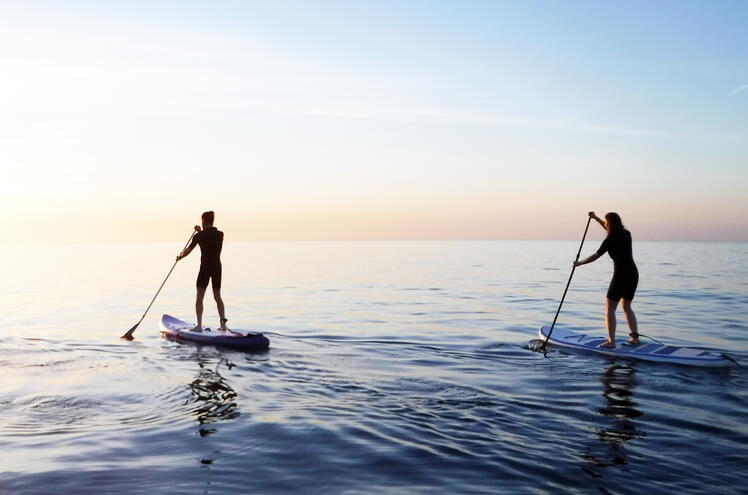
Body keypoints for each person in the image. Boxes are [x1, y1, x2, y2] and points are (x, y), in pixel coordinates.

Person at [573, 212, 639, 349]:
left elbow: (595, 256)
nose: (605, 224)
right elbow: (610, 229)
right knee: (627, 306)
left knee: (610, 309)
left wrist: (580, 263)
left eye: (606, 222)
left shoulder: (609, 240)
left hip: (621, 276)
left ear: (609, 224)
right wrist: (597, 219)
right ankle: (635, 338)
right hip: (633, 274)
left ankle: (611, 342)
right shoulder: (626, 234)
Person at [176, 211, 228, 332]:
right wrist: (201, 232)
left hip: (205, 268)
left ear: (203, 221)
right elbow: (209, 238)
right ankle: (223, 325)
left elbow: (188, 250)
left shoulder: (199, 236)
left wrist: (180, 257)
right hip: (217, 268)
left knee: (200, 296)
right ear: (212, 221)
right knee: (217, 296)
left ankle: (199, 326)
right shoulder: (220, 234)